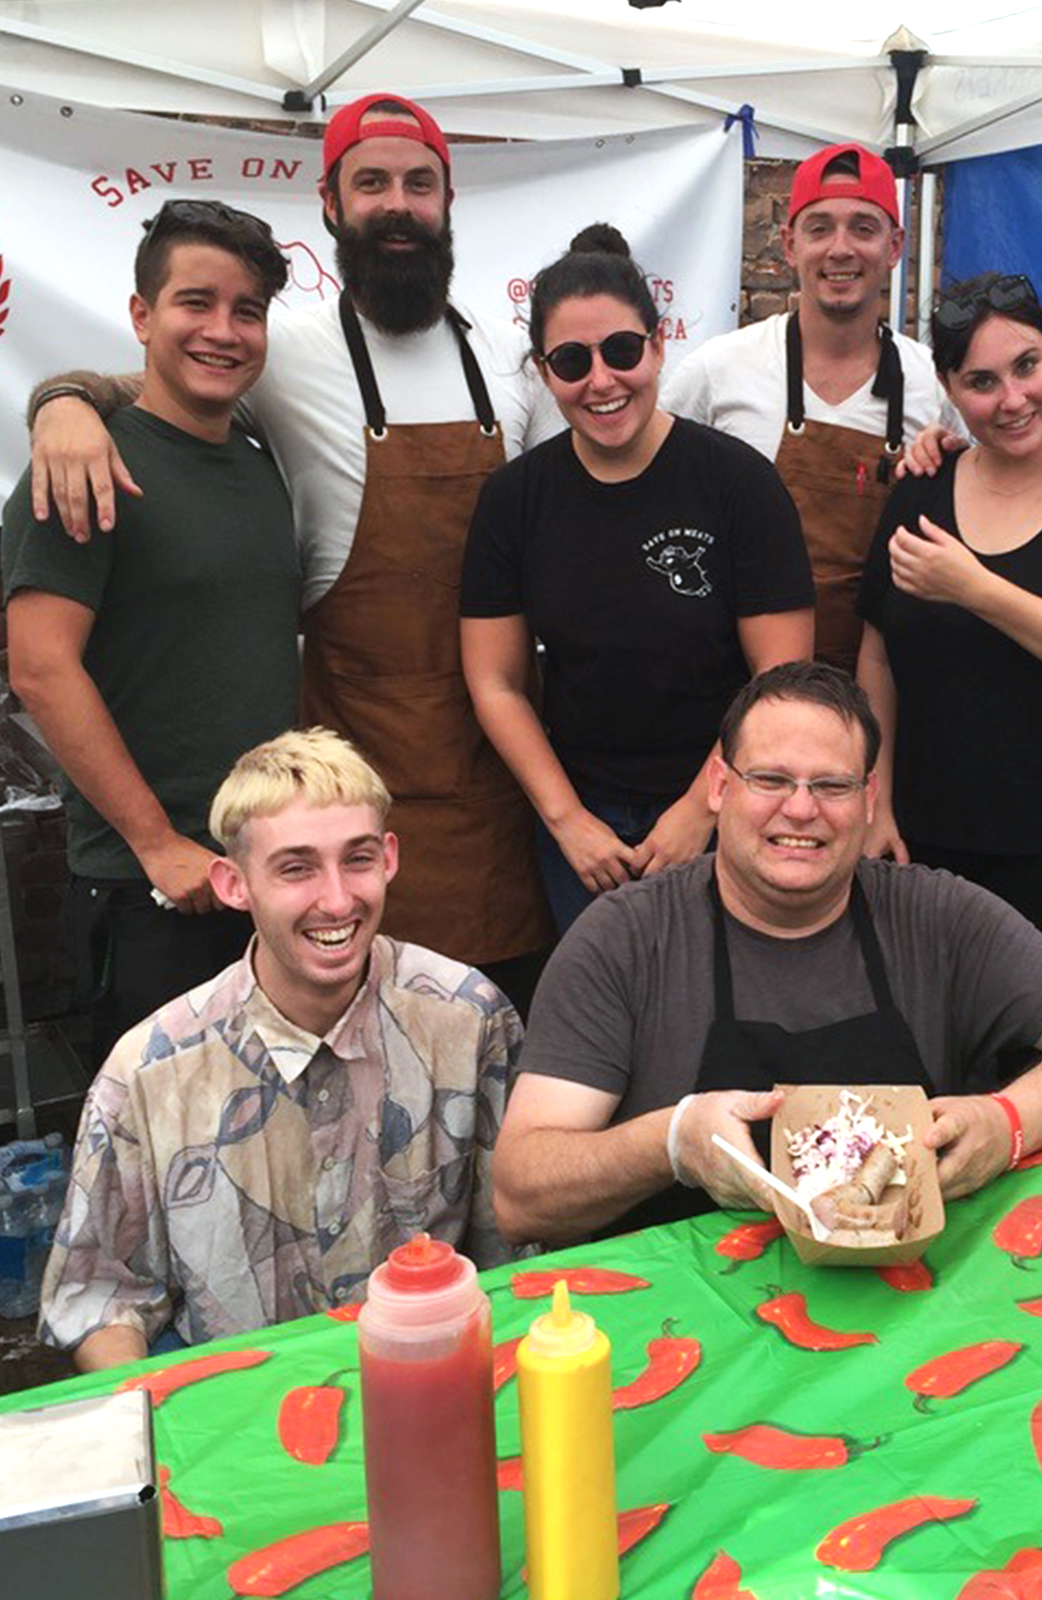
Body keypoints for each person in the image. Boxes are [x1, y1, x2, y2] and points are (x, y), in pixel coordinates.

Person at [25, 93, 560, 1016]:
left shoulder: (512, 357)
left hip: (493, 787)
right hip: (342, 788)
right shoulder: (288, 349)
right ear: (331, 204)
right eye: (371, 183)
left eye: (418, 183)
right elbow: (166, 382)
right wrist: (63, 400)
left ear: (446, 203)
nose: (397, 204)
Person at [491, 662, 1042, 1245]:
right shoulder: (626, 939)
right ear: (720, 787)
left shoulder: (936, 916)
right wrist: (672, 1143)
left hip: (903, 1300)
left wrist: (1009, 1122)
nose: (801, 810)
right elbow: (521, 1194)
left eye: (832, 786)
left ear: (870, 799)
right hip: (686, 1318)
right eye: (771, 780)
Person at [38, 729, 523, 1372]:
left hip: (436, 1382)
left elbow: (517, 1249)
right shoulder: (151, 1071)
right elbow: (95, 1298)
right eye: (296, 867)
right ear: (234, 884)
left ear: (390, 859)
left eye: (357, 859)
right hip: (241, 1414)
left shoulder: (469, 1018)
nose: (337, 900)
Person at [2, 199, 299, 1065]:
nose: (223, 331)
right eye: (194, 303)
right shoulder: (84, 465)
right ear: (141, 315)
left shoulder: (256, 455)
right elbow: (41, 669)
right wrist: (154, 842)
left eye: (247, 311)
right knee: (157, 1166)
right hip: (152, 893)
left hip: (265, 868)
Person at [460, 227, 815, 935]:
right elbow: (495, 681)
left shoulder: (737, 483)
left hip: (731, 804)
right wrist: (567, 822)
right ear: (542, 371)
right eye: (571, 361)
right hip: (583, 820)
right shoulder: (516, 499)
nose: (601, 380)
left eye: (622, 350)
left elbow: (782, 672)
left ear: (656, 347)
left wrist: (700, 808)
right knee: (607, 1028)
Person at [856, 272, 1042, 969]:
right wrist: (878, 797)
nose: (1013, 399)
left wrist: (974, 588)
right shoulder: (924, 488)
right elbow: (876, 653)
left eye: (1027, 366)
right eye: (982, 382)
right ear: (949, 387)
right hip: (929, 842)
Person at [663, 143, 962, 670]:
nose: (840, 249)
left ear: (895, 246)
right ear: (788, 244)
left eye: (863, 229)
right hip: (738, 688)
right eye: (819, 228)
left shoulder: (935, 388)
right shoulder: (717, 372)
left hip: (885, 691)